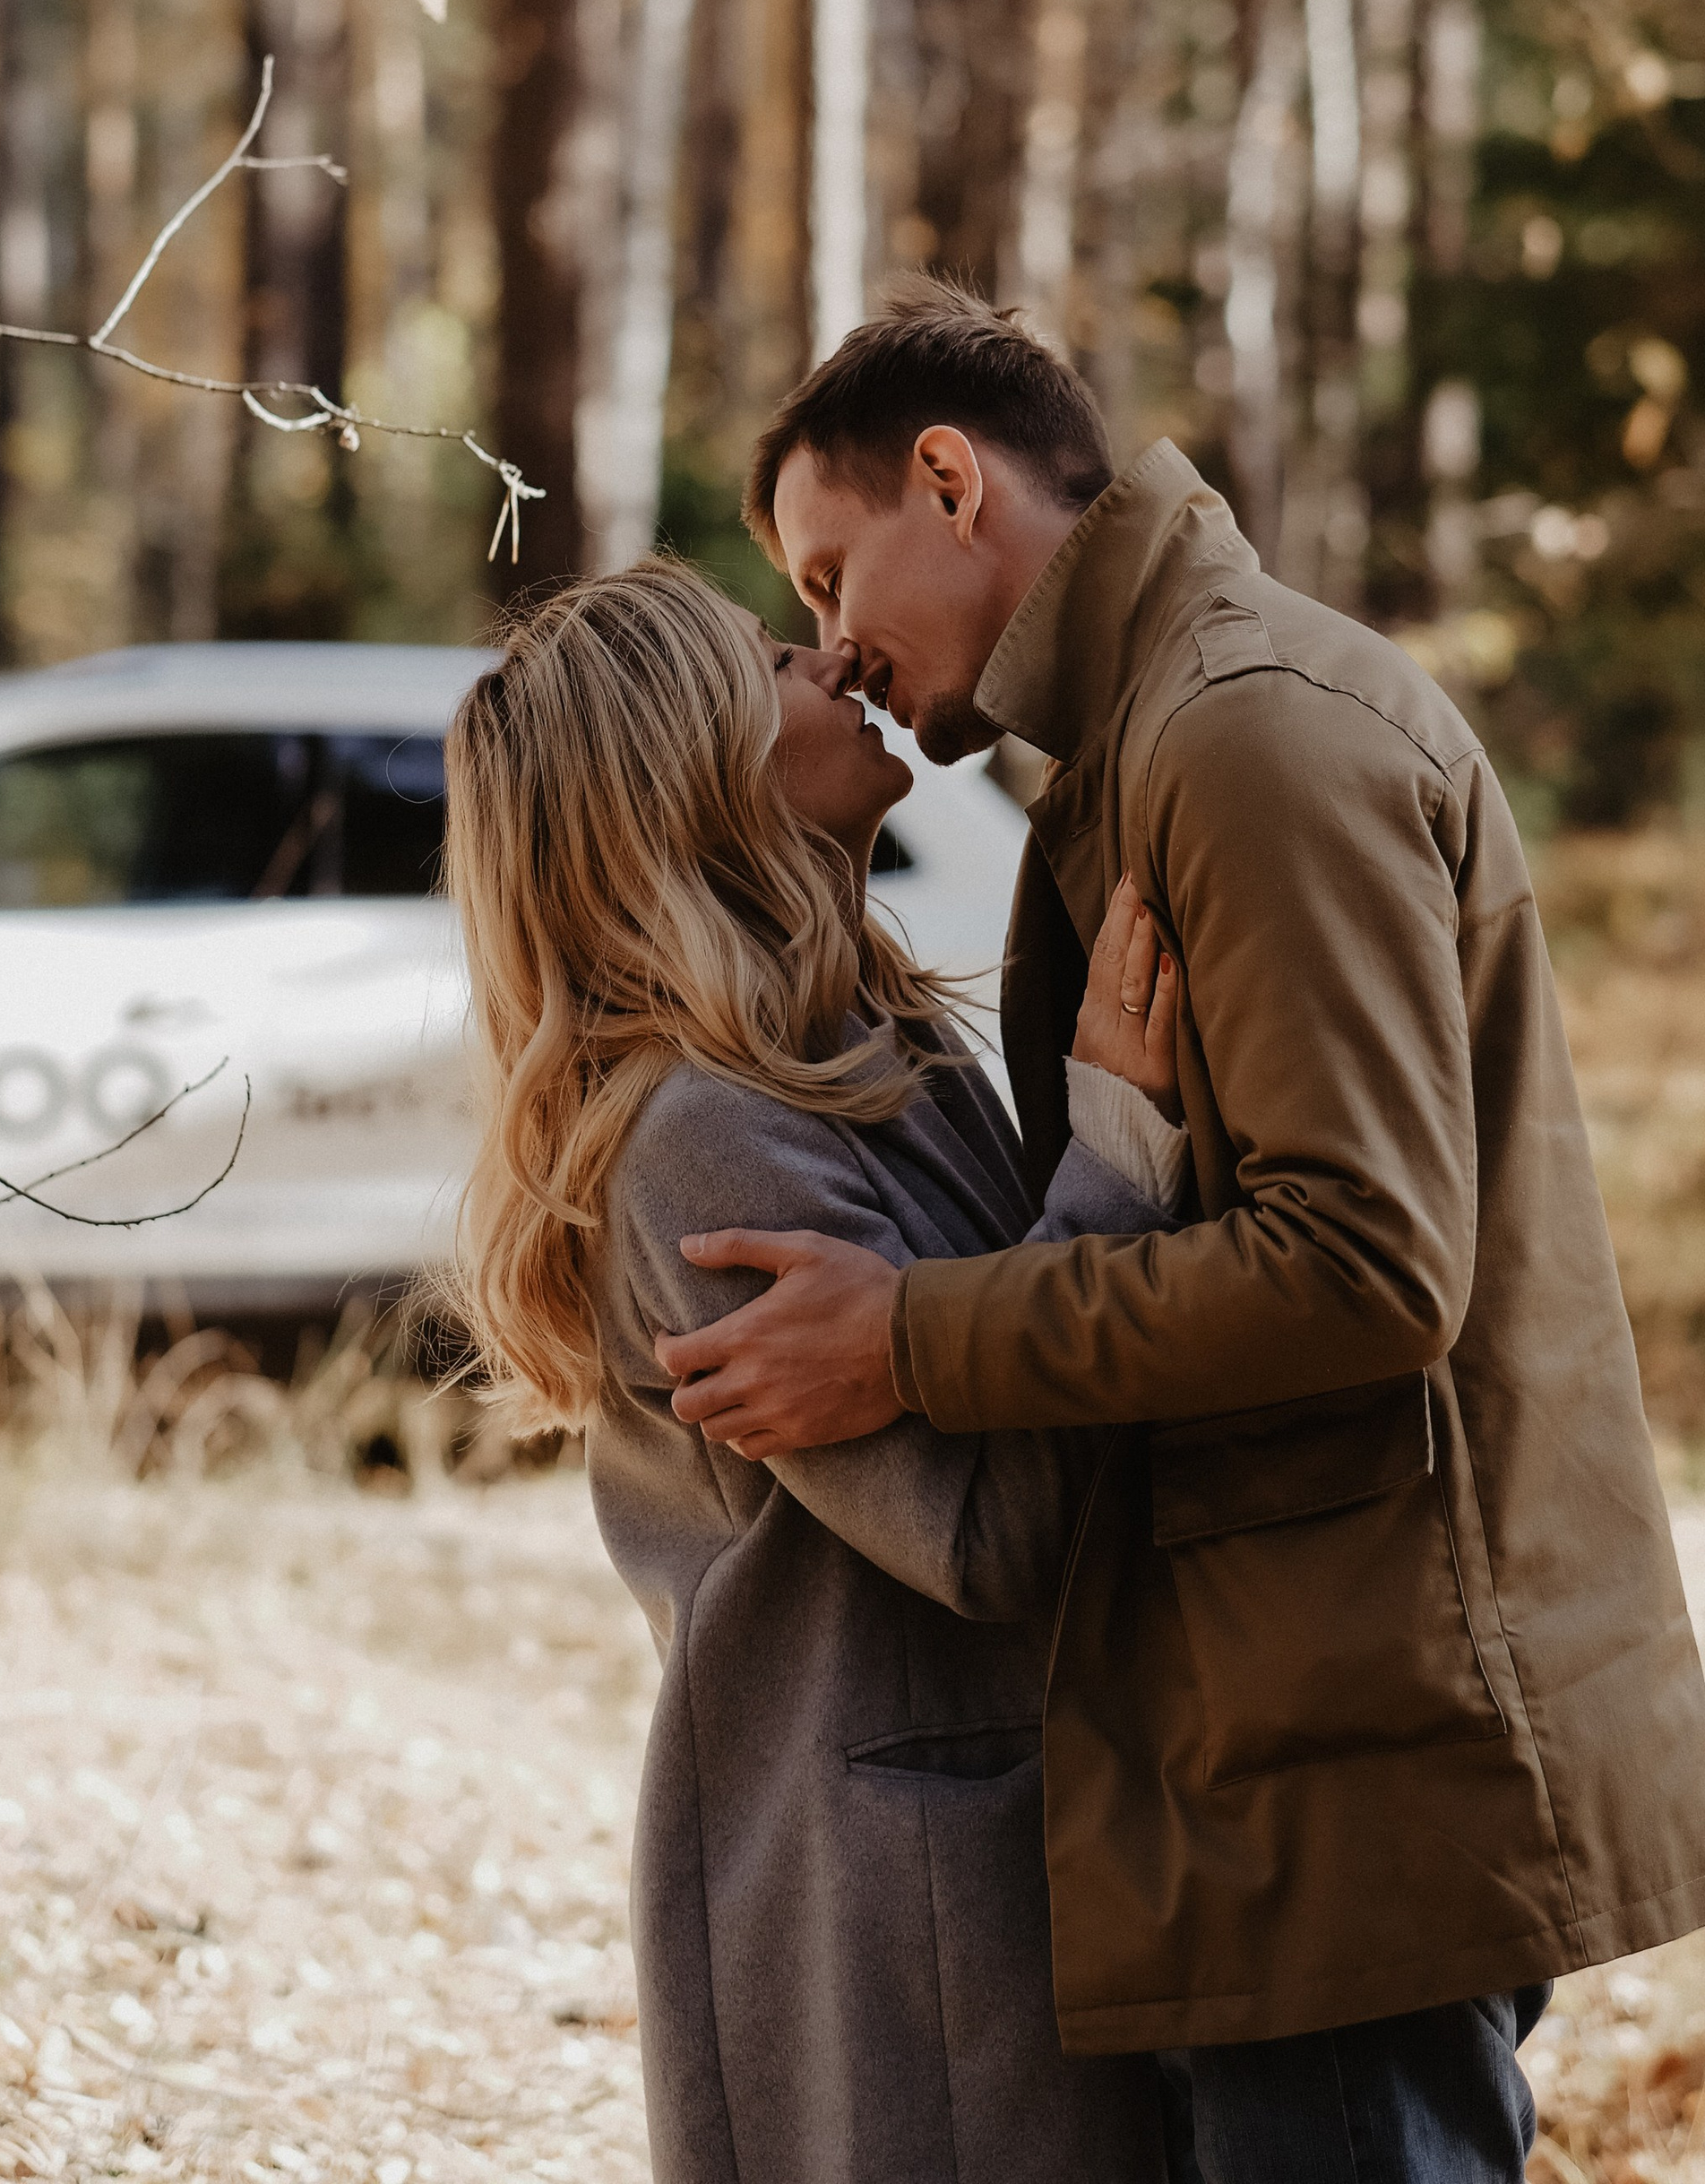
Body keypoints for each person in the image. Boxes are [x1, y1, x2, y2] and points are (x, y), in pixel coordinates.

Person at [651, 279, 1705, 2184]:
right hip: (1279, 1738)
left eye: (832, 581)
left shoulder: (1242, 731)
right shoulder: (1160, 735)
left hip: (1346, 1742)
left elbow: (1364, 1265)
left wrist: (910, 1337)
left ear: (948, 480)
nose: (837, 654)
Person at [443, 555, 1191, 2184]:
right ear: (689, 768)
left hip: (984, 1864)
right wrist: (1120, 1147)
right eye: (777, 657)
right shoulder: (704, 1136)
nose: (837, 659)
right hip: (896, 1915)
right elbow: (984, 1529)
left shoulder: (867, 1039)